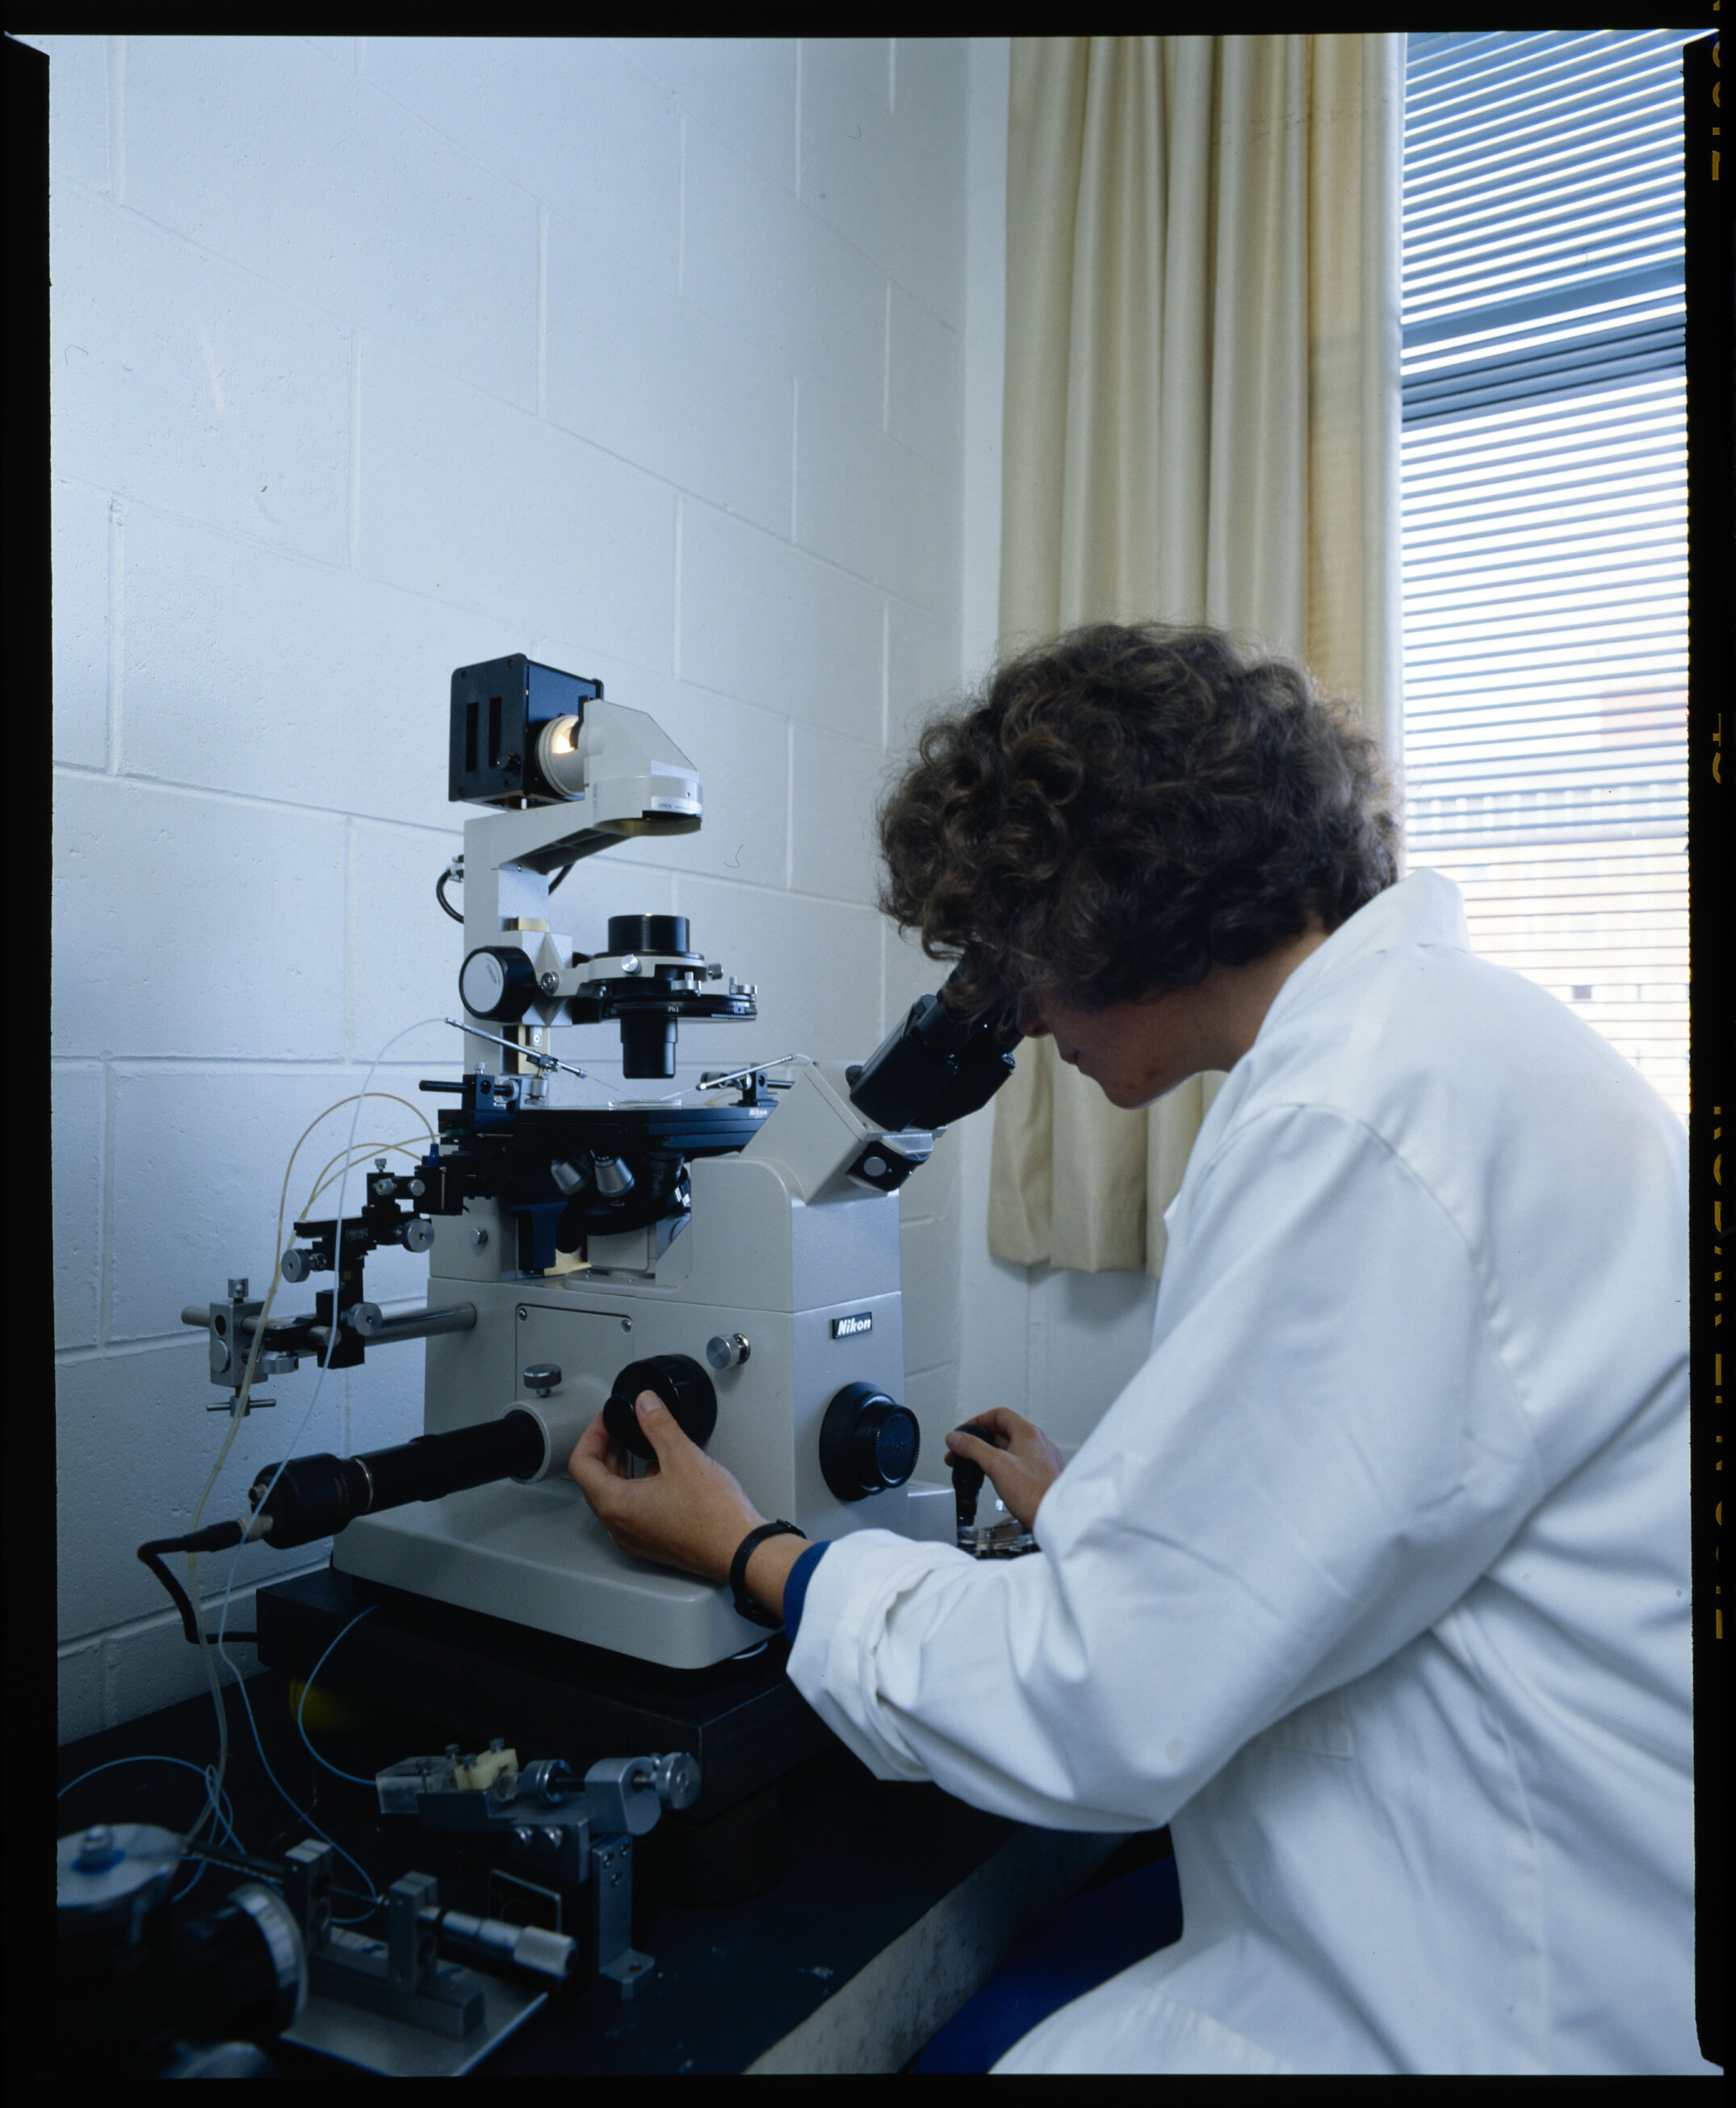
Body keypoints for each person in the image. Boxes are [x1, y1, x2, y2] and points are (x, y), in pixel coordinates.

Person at [569, 621, 1710, 2075]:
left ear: (1117, 905)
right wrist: (1109, 1514)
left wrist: (751, 1554)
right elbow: (1368, 1500)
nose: (1025, 1018)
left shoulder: (1352, 1114)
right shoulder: (1434, 1046)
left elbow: (1108, 1699)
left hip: (1500, 1979)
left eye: (1020, 955)